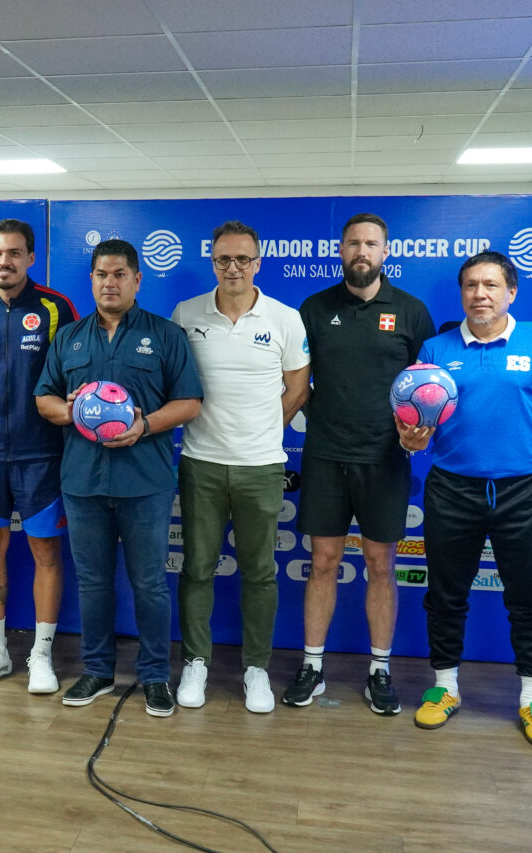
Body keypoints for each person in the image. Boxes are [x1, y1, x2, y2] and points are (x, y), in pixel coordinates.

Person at [406, 250, 532, 749]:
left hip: (525, 489)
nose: (480, 294)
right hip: (452, 488)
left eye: (491, 285)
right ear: (461, 294)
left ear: (511, 292)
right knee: (446, 594)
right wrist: (412, 438)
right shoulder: (436, 349)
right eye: (471, 286)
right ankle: (445, 689)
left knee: (528, 597)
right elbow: (418, 426)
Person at [35, 238, 202, 718]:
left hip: (144, 480)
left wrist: (144, 425)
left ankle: (154, 676)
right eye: (102, 275)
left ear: (137, 280)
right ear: (91, 280)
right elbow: (43, 397)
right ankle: (98, 670)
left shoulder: (166, 335)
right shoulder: (69, 337)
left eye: (120, 274)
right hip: (82, 480)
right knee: (93, 582)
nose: (110, 283)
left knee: (149, 583)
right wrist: (68, 412)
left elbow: (189, 402)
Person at [287, 213, 436, 715]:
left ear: (385, 252)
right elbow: (296, 382)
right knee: (323, 563)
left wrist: (417, 433)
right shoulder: (314, 308)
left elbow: (428, 391)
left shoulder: (412, 313)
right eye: (353, 243)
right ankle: (312, 666)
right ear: (341, 250)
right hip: (326, 456)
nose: (361, 251)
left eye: (371, 243)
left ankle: (380, 670)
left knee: (380, 565)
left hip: (385, 460)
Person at [170, 221, 308, 714]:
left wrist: (268, 427)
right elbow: (175, 379)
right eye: (224, 260)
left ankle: (256, 669)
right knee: (198, 569)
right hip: (200, 462)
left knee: (260, 573)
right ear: (212, 263)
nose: (233, 268)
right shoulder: (186, 313)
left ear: (258, 262)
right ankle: (196, 663)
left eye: (242, 260)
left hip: (261, 466)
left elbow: (298, 385)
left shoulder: (286, 318)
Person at [0, 219, 78, 694]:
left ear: (30, 257)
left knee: (46, 553)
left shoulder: (55, 308)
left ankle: (41, 655)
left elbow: (70, 378)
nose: (3, 262)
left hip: (41, 455)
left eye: (13, 253)